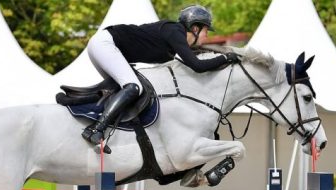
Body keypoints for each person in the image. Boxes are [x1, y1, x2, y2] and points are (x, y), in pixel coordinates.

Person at [81, 5, 240, 148]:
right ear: (195, 28)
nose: (206, 36)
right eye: (206, 30)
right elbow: (197, 66)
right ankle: (95, 129)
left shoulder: (175, 38)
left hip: (103, 45)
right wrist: (225, 58)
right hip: (106, 44)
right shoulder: (176, 31)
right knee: (133, 87)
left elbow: (192, 62)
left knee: (122, 92)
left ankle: (102, 130)